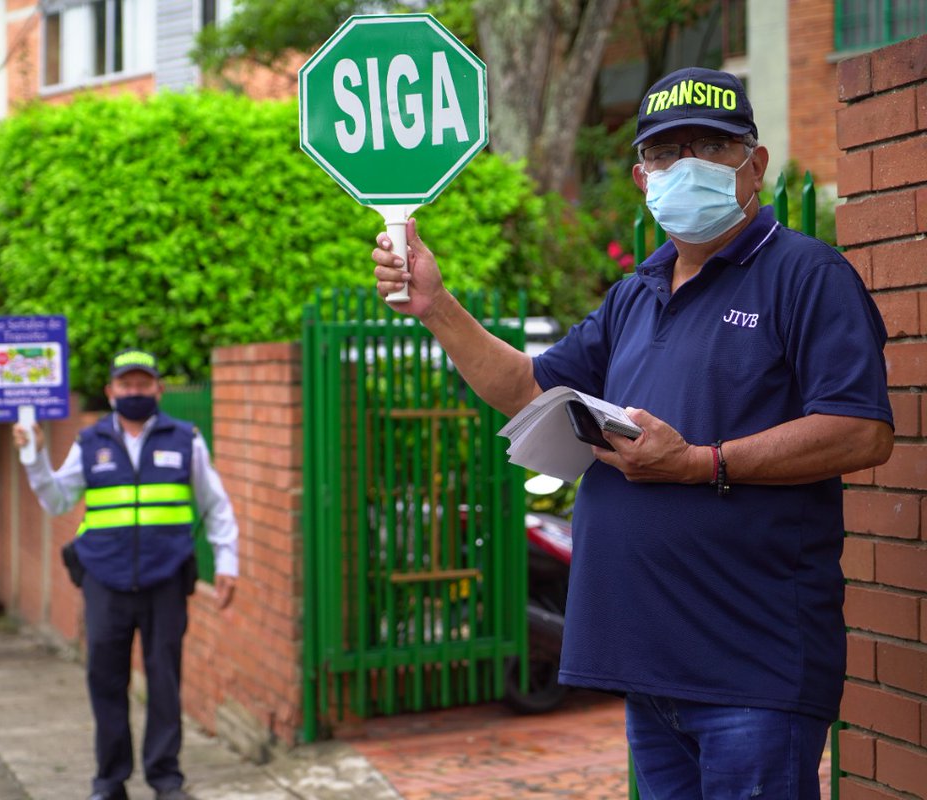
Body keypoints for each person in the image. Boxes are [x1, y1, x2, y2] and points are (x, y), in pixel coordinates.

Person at [371, 67, 893, 799]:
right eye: (663, 152)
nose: (684, 167)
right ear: (642, 177)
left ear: (756, 163)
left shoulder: (807, 277)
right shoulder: (637, 293)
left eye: (708, 147)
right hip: (648, 667)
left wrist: (700, 462)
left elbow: (861, 432)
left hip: (753, 669)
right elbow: (527, 388)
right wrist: (436, 305)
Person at [13, 348, 238, 800]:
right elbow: (58, 500)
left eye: (143, 383)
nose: (135, 391)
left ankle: (165, 779)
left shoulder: (185, 438)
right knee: (105, 680)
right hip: (104, 579)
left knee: (165, 681)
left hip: (166, 578)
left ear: (158, 388)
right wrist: (35, 458)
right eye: (126, 384)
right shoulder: (89, 442)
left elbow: (215, 504)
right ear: (111, 391)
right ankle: (110, 781)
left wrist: (227, 561)